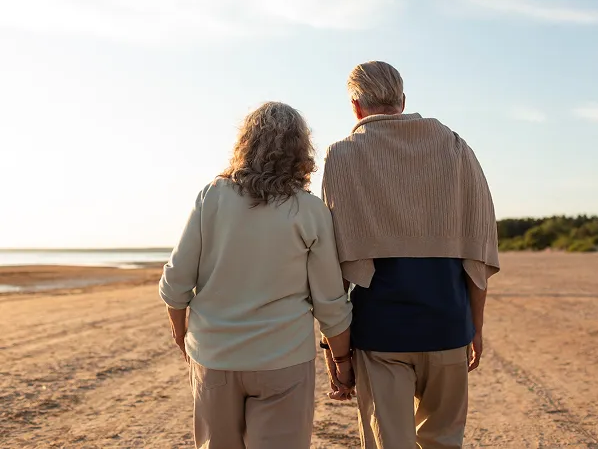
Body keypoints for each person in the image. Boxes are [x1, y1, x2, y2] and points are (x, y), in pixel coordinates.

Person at [320, 61, 500, 449]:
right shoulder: (455, 147)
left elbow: (333, 267)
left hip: (380, 330)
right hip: (449, 324)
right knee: (444, 442)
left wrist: (336, 355)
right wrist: (476, 327)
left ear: (356, 107)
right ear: (402, 100)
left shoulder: (342, 156)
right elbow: (478, 248)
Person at [159, 102, 354, 449]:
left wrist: (180, 334)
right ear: (299, 150)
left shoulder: (213, 196)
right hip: (284, 361)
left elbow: (176, 282)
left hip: (214, 357)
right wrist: (341, 359)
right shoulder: (309, 210)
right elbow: (330, 302)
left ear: (245, 143)